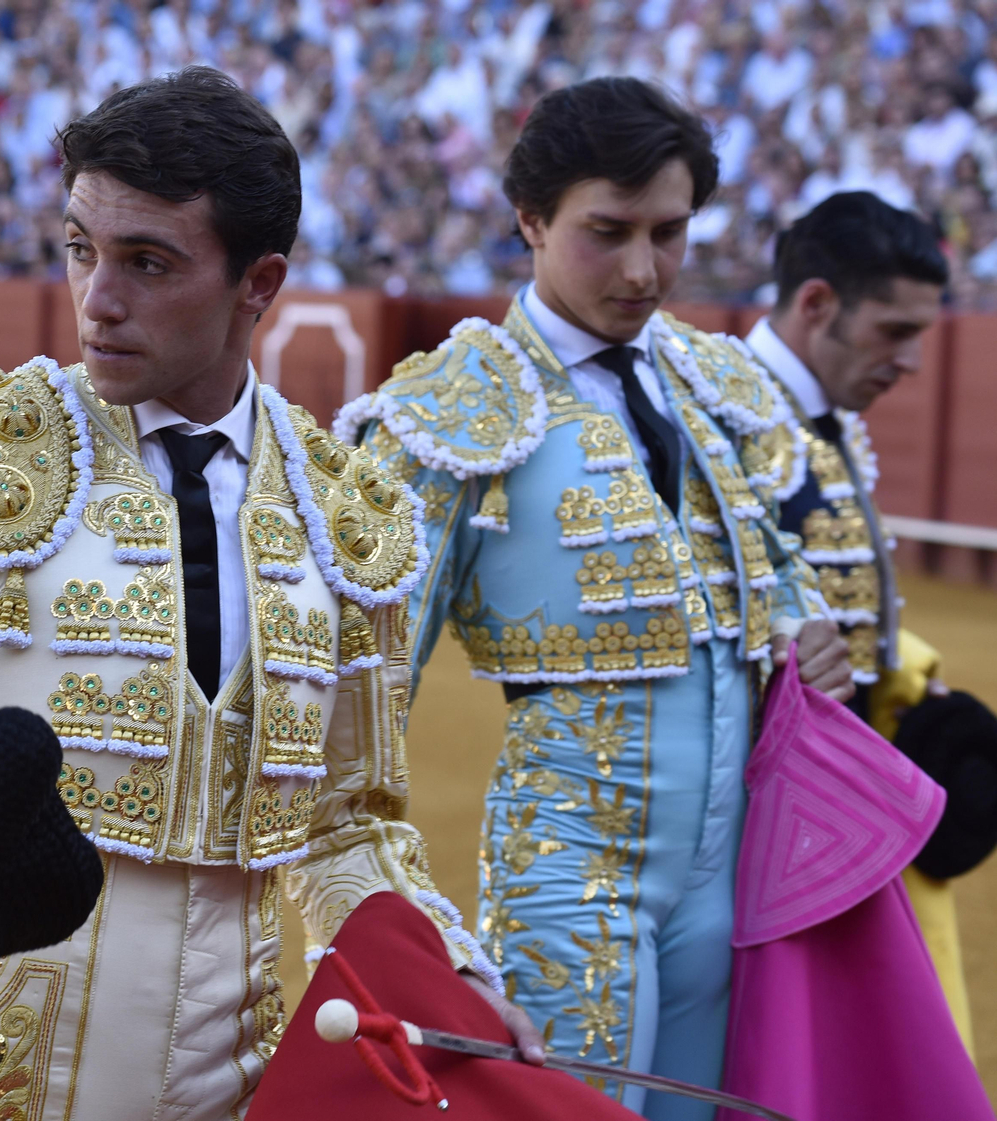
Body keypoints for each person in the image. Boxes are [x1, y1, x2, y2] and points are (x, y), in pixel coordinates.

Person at [0, 67, 537, 1121]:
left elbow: (350, 826)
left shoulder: (348, 512)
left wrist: (453, 982)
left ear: (257, 283)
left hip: (240, 1087)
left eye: (145, 262)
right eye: (80, 247)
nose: (95, 299)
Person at [340, 78, 850, 1120]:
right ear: (529, 219)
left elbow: (768, 566)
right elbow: (361, 686)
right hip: (567, 870)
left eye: (669, 233)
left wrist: (804, 629)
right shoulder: (451, 410)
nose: (642, 269)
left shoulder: (708, 383)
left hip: (730, 866)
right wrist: (422, 918)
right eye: (606, 232)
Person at [741, 190, 974, 1051]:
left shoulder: (819, 420)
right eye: (894, 331)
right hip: (761, 833)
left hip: (831, 815)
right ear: (816, 304)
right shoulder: (727, 417)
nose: (912, 361)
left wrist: (904, 682)